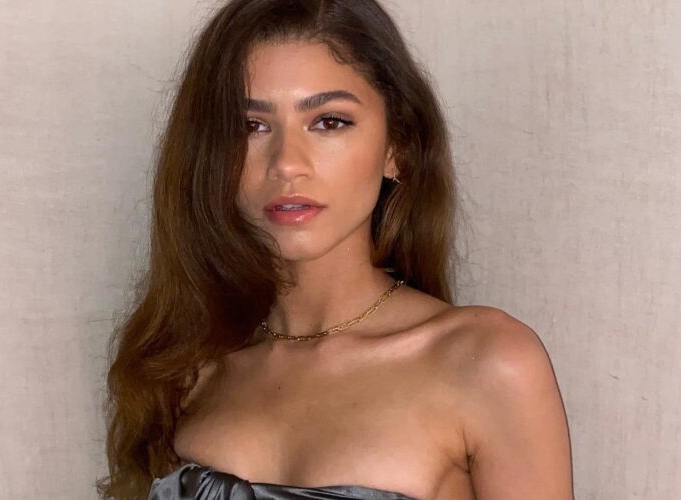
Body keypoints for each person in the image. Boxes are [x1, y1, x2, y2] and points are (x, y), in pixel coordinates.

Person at [97, 1, 573, 499]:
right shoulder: (187, 374)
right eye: (251, 126)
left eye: (329, 122)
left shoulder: (487, 363)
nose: (287, 164)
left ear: (397, 148)